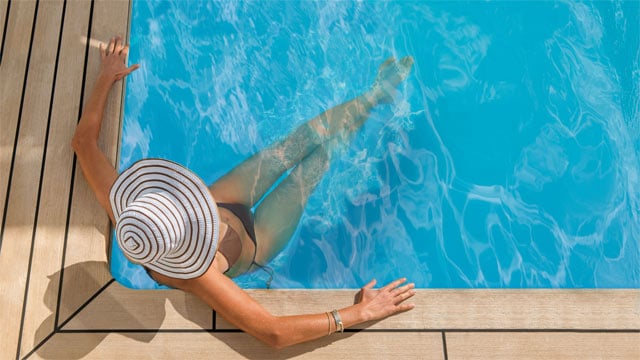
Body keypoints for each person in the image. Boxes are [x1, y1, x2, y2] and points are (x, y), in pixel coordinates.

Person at [72, 36, 416, 349]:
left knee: (302, 138)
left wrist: (107, 76)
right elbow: (273, 333)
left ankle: (374, 94)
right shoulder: (199, 276)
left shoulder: (131, 216)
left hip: (222, 200)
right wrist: (359, 313)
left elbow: (83, 142)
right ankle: (374, 101)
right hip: (254, 244)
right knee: (313, 166)